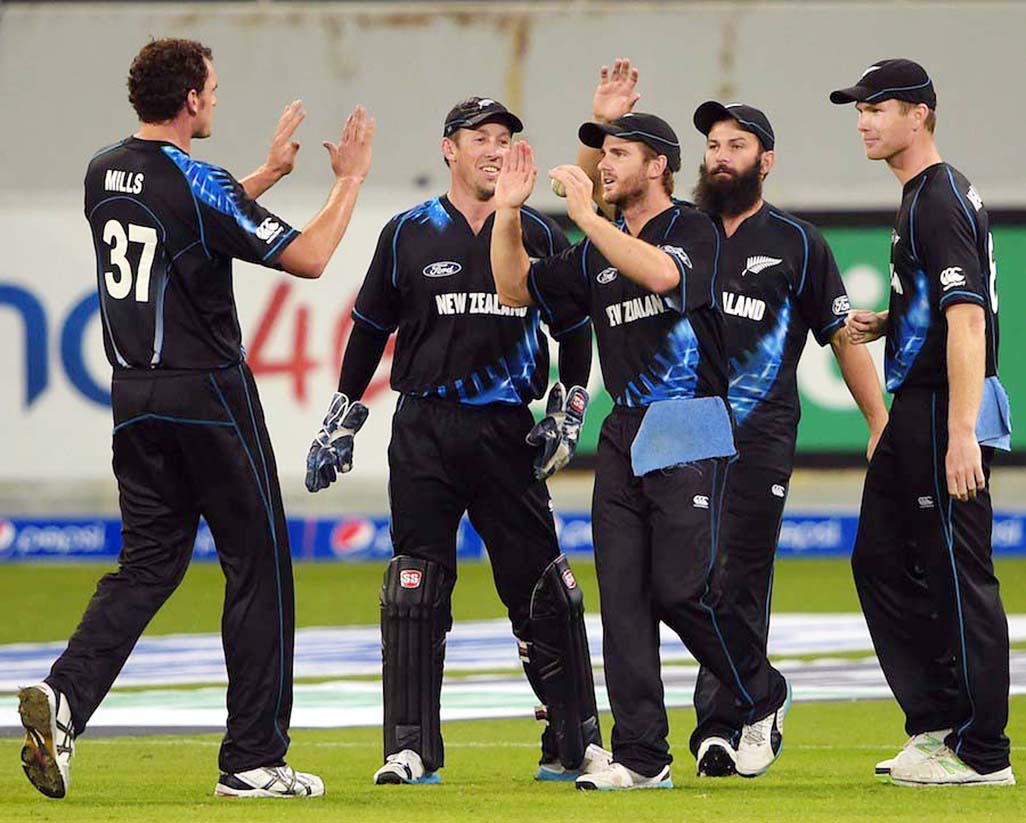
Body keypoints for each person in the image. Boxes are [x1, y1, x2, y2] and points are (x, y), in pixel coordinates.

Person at [17, 37, 375, 800]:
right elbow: (308, 256)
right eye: (211, 90)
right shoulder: (199, 179)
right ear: (189, 101)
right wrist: (348, 182)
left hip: (132, 401)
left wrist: (267, 175)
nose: (215, 100)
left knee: (148, 565)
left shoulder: (101, 171)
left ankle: (67, 695)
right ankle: (252, 759)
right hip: (208, 394)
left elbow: (180, 220)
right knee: (260, 564)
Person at [491, 102, 791, 790]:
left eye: (619, 153)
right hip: (625, 427)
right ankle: (642, 756)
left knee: (683, 590)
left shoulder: (695, 227)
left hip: (686, 418)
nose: (603, 164)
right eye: (602, 153)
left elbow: (662, 277)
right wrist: (509, 212)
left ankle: (761, 692)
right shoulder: (596, 246)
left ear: (658, 166)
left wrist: (589, 218)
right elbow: (514, 288)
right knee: (623, 598)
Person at [305, 96, 604, 786]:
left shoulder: (534, 229)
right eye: (481, 138)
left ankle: (572, 741)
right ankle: (410, 749)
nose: (495, 149)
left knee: (544, 591)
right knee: (414, 587)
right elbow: (371, 329)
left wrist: (571, 402)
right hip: (424, 431)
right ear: (450, 149)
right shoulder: (408, 232)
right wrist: (343, 414)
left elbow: (574, 327)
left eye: (504, 138)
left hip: (507, 429)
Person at [684, 99, 887, 775]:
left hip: (760, 432)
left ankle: (725, 719)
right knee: (682, 580)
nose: (720, 157)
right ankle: (755, 697)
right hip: (685, 429)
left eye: (735, 145)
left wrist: (878, 418)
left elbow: (841, 336)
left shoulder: (798, 243)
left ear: (764, 161)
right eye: (713, 145)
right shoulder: (680, 234)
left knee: (736, 577)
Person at [831, 58, 1013, 787]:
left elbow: (969, 320)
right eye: (860, 109)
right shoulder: (921, 195)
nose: (865, 120)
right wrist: (893, 320)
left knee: (959, 573)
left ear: (921, 115)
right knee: (878, 557)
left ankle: (983, 752)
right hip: (919, 403)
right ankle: (938, 719)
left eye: (880, 106)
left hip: (941, 407)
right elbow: (941, 309)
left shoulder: (936, 197)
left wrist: (962, 430)